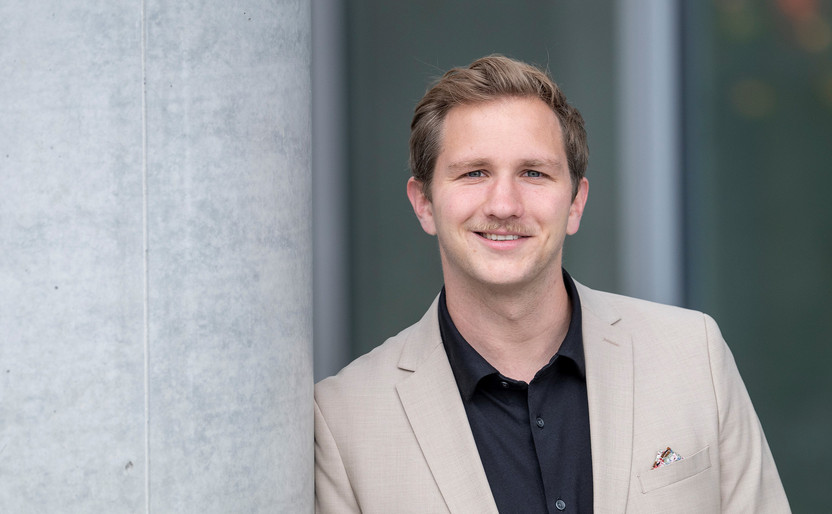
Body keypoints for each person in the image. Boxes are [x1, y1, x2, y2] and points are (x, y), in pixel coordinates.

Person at [314, 55, 790, 514]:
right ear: (424, 203)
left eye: (533, 173)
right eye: (474, 173)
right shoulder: (344, 421)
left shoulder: (693, 356)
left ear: (576, 203)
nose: (504, 205)